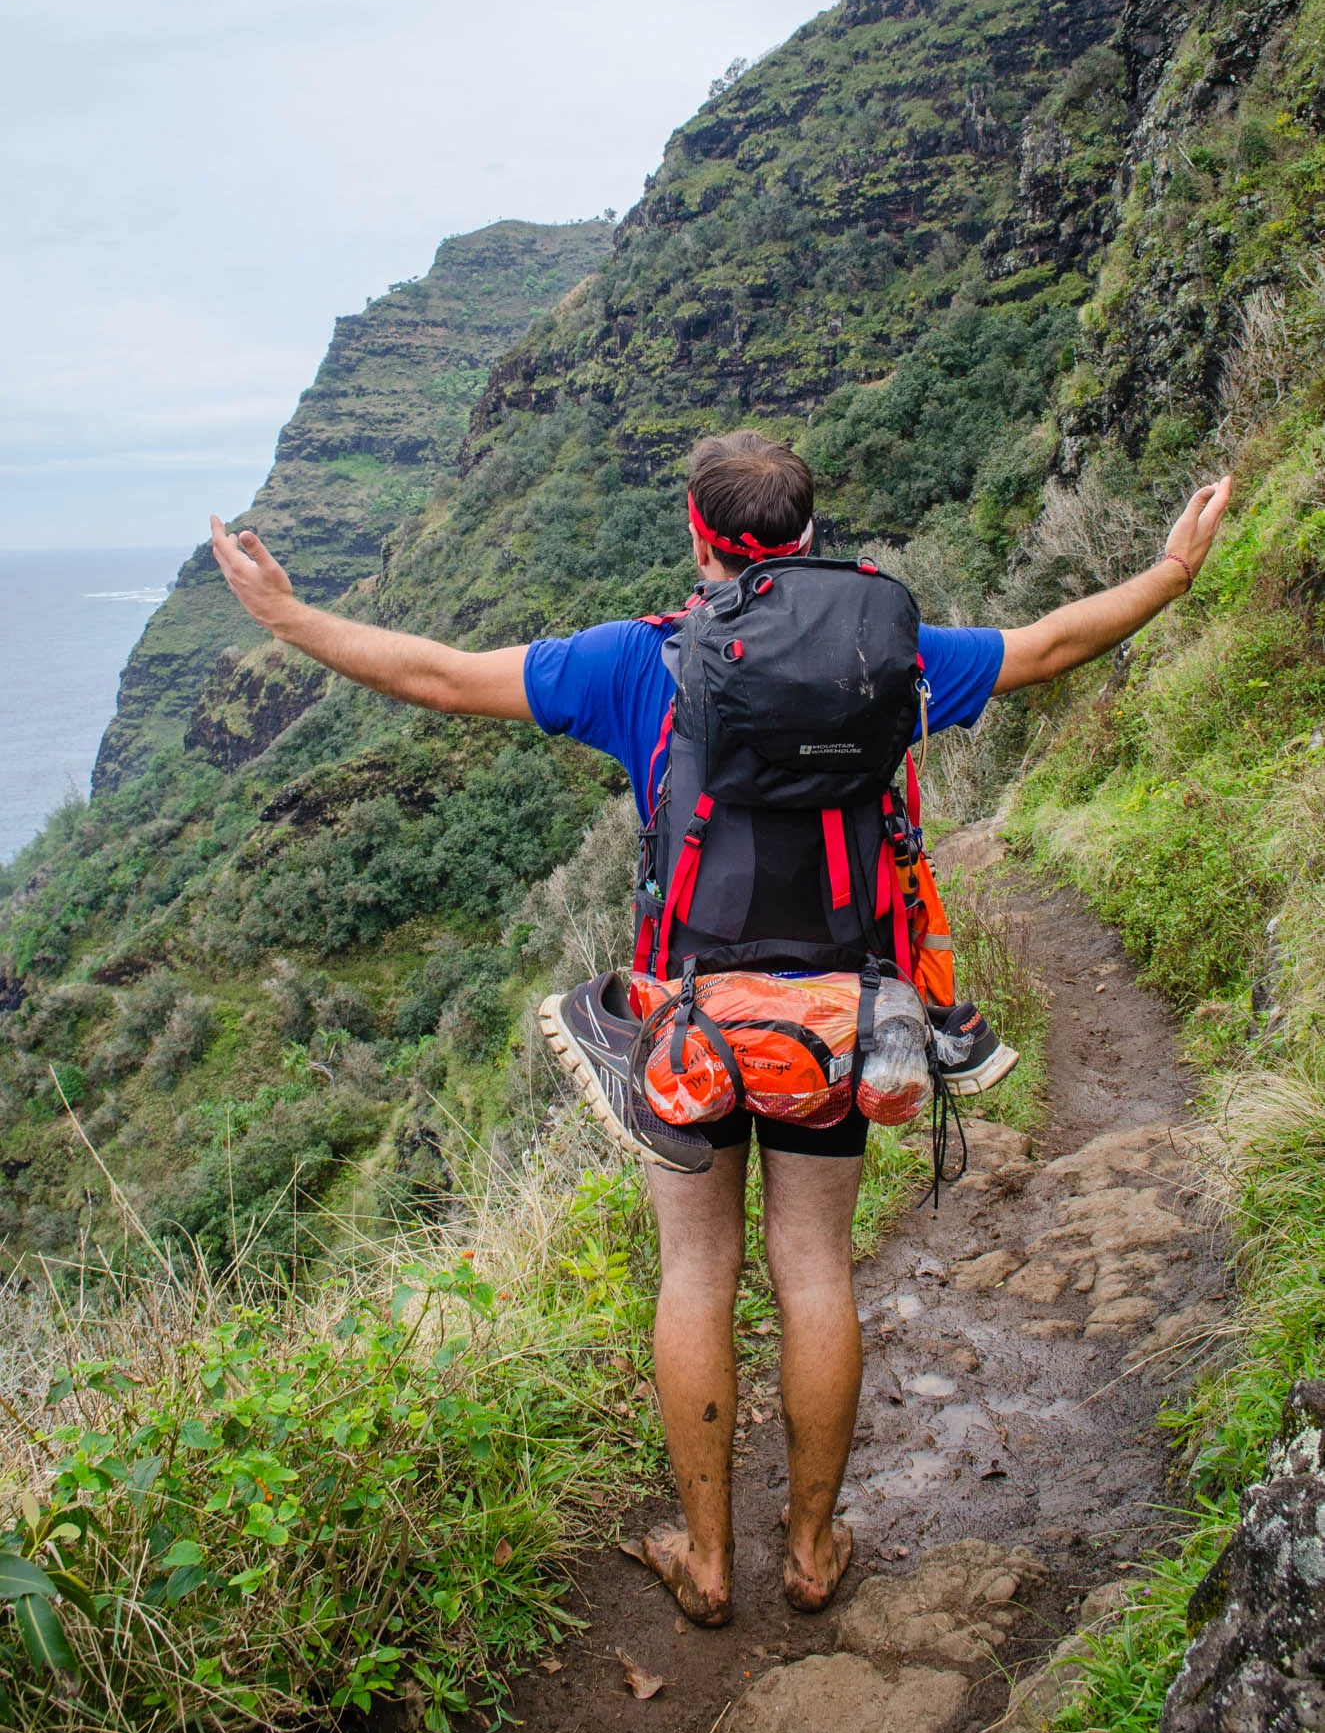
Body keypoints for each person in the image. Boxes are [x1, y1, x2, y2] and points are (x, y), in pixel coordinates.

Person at [210, 434, 1231, 1628]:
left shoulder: (637, 663)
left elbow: (437, 675)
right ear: (806, 532)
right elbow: (1052, 643)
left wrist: (286, 617)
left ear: (697, 533)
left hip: (686, 1018)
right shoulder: (885, 656)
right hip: (843, 1020)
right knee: (812, 1270)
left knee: (695, 1272)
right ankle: (808, 1547)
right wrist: (1170, 569)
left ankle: (704, 1558)